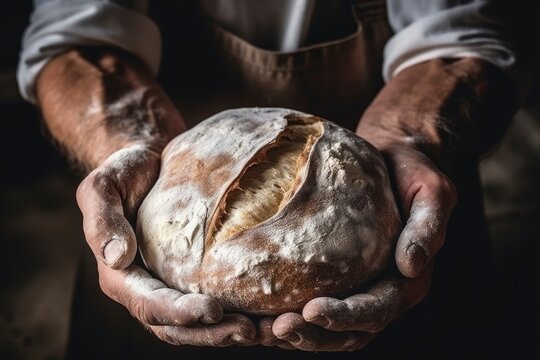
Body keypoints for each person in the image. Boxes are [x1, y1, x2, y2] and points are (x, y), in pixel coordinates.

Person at [17, 0, 529, 358]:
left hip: (403, 212)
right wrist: (130, 146)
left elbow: (462, 38)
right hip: (156, 216)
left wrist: (408, 141)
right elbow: (75, 39)